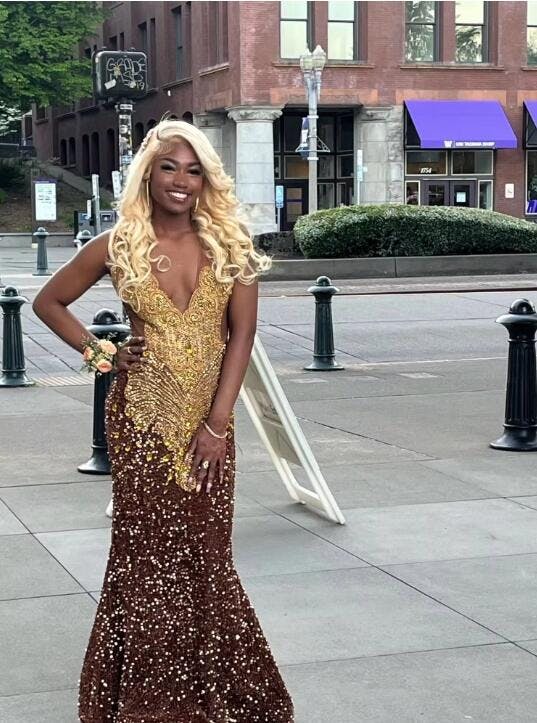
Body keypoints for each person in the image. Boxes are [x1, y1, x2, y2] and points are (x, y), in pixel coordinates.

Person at [32, 119, 294, 722]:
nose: (181, 180)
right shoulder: (119, 243)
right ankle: (146, 700)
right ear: (148, 175)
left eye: (194, 170)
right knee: (143, 557)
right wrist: (102, 353)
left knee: (206, 556)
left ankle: (211, 694)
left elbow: (242, 336)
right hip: (141, 423)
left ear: (206, 181)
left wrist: (217, 424)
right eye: (169, 167)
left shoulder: (230, 245)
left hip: (209, 423)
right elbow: (49, 302)